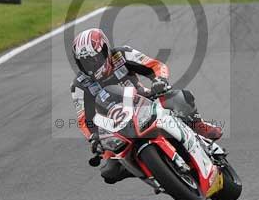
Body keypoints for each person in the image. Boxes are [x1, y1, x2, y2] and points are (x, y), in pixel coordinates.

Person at [70, 28, 223, 184]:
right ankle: (154, 173)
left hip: (145, 101)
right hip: (118, 126)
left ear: (105, 50)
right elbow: (83, 118)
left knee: (179, 97)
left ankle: (199, 126)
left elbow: (155, 66)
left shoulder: (121, 55)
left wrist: (160, 80)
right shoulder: (79, 85)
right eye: (85, 62)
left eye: (95, 59)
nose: (91, 65)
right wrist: (93, 137)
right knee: (110, 172)